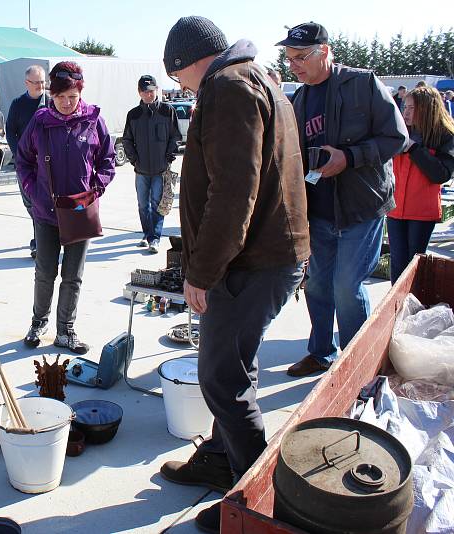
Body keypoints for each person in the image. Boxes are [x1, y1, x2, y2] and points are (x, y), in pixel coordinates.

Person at [158, 17, 310, 532]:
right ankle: (224, 456)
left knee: (222, 376)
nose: (180, 87)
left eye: (178, 78)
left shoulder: (226, 87)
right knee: (234, 365)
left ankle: (256, 500)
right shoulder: (257, 77)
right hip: (267, 255)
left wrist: (200, 271)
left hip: (253, 261)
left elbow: (234, 191)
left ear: (187, 63)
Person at [277, 22, 408, 378]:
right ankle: (321, 353)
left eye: (301, 56)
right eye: (289, 59)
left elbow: (397, 137)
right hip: (319, 212)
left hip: (360, 208)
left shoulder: (362, 84)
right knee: (318, 284)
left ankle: (356, 365)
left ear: (326, 51)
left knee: (346, 287)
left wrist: (348, 158)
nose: (294, 65)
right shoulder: (299, 99)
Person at [15, 61, 116, 354]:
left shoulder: (93, 120)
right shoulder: (41, 121)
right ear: (52, 95)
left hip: (80, 212)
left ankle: (66, 329)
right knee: (45, 271)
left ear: (80, 92)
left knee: (73, 275)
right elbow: (23, 160)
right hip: (46, 212)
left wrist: (96, 188)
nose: (67, 103)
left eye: (72, 96)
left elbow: (107, 160)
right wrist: (34, 193)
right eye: (61, 97)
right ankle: (38, 321)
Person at [387, 86, 454, 282]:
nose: (404, 112)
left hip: (422, 213)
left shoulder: (444, 136)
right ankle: (396, 308)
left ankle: (414, 307)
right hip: (395, 209)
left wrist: (414, 149)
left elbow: (441, 174)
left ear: (426, 109)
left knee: (415, 266)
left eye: (410, 108)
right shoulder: (399, 132)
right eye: (404, 107)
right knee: (397, 263)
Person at [121, 74, 180, 253]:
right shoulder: (133, 115)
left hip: (161, 169)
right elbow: (127, 140)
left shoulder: (167, 111)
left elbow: (175, 137)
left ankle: (155, 238)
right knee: (142, 204)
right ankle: (146, 235)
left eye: (151, 91)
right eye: (145, 91)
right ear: (139, 92)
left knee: (157, 204)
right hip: (141, 170)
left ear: (156, 90)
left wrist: (168, 157)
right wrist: (134, 160)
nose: (149, 95)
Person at [6, 65, 49, 258]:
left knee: (43, 203)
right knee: (30, 204)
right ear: (26, 83)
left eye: (42, 82)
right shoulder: (18, 104)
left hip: (48, 163)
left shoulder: (51, 102)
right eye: (36, 82)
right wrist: (20, 154)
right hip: (26, 164)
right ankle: (40, 237)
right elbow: (10, 132)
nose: (41, 86)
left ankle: (41, 242)